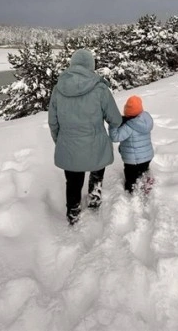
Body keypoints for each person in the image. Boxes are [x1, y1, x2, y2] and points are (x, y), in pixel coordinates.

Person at [48, 49, 122, 225]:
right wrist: (110, 135)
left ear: (72, 64)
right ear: (91, 65)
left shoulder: (58, 89)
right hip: (96, 145)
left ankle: (73, 212)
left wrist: (61, 141)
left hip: (69, 146)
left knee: (73, 181)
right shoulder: (100, 88)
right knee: (96, 172)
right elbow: (115, 119)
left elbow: (53, 122)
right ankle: (94, 200)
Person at [109, 95, 154, 194]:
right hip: (147, 156)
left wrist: (113, 126)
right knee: (143, 169)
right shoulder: (145, 119)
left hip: (132, 160)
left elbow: (115, 137)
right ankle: (146, 181)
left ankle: (131, 188)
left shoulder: (129, 126)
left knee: (131, 175)